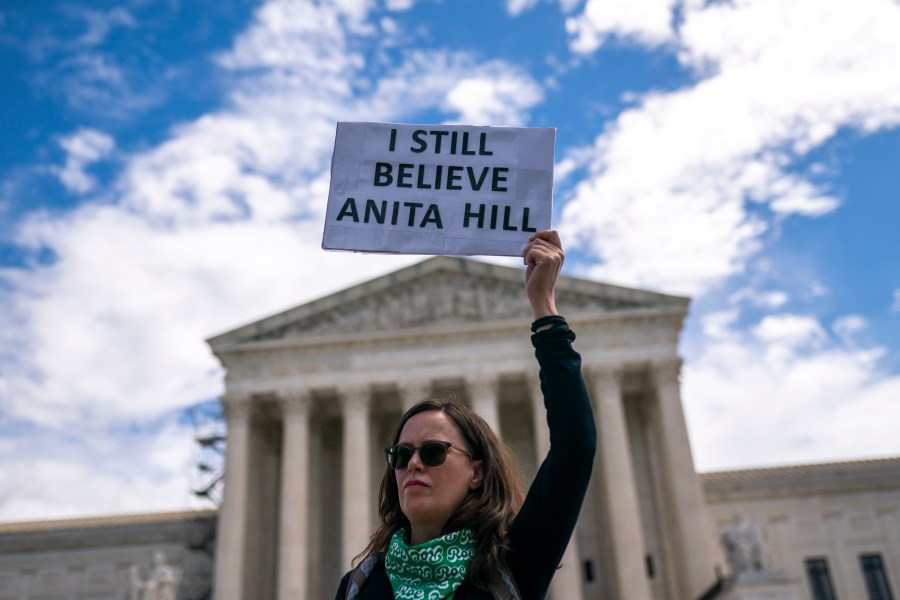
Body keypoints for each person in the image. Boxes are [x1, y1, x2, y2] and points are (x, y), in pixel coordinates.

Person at [335, 230, 597, 600]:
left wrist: (544, 306)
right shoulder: (359, 585)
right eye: (401, 454)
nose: (413, 464)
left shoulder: (509, 562)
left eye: (433, 452)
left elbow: (575, 449)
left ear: (476, 472)